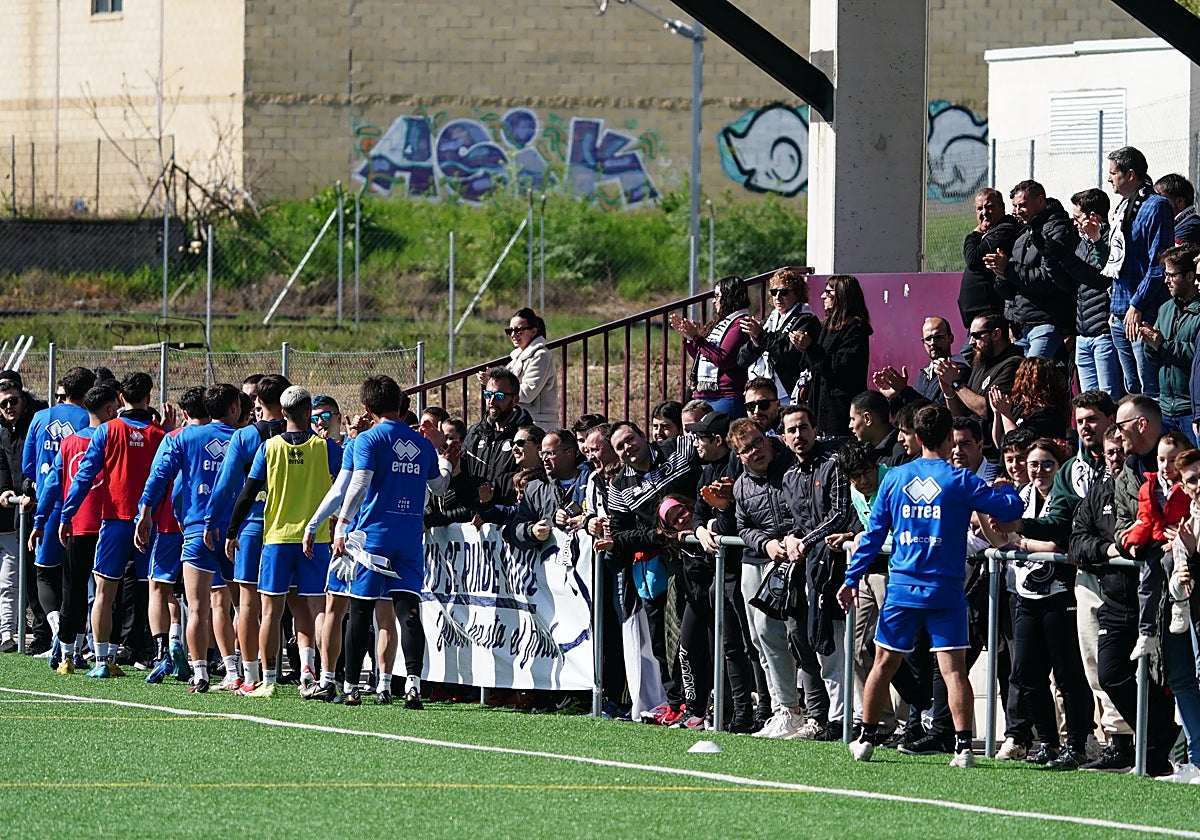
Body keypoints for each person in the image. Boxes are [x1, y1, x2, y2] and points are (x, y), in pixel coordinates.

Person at [840, 403, 1023, 767]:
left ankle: (865, 738)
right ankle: (964, 747)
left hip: (903, 587)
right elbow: (1009, 511)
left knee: (883, 663)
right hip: (946, 589)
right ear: (947, 437)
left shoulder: (894, 478)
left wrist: (851, 578)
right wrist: (1009, 491)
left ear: (918, 437)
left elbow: (873, 536)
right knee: (953, 669)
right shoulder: (960, 479)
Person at [330, 376, 450, 708]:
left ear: (367, 409)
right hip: (409, 537)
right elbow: (439, 488)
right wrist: (444, 457)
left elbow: (358, 485)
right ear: (400, 404)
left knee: (359, 612)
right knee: (408, 611)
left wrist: (342, 525)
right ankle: (413, 685)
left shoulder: (370, 439)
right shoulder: (422, 443)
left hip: (373, 538)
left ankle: (351, 687)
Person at [1073, 424, 1180, 776]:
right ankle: (1157, 735)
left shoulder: (1148, 485)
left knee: (1161, 678)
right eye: (1110, 453)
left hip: (1155, 600)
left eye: (1122, 451)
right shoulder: (1099, 492)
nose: (1116, 458)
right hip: (1116, 600)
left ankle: (1158, 748)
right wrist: (1109, 548)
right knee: (1110, 673)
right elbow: (1077, 541)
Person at [225, 386, 343, 698]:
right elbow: (350, 480)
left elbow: (247, 492)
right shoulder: (326, 448)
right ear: (308, 413)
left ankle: (268, 681)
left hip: (277, 539)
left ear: (283, 412)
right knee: (318, 609)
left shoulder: (269, 448)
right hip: (315, 540)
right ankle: (322, 676)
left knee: (271, 613)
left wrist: (231, 531)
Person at [134, 384, 242, 693]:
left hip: (196, 531)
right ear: (234, 408)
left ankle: (200, 674)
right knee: (237, 604)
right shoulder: (243, 439)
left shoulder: (184, 437)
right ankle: (239, 672)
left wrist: (147, 512)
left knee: (196, 607)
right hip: (233, 534)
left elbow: (164, 478)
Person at [59, 372, 166, 679]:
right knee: (158, 591)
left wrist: (67, 516)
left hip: (116, 522)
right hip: (151, 524)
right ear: (149, 397)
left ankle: (102, 660)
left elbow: (83, 477)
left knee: (105, 592)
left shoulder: (107, 431)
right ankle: (161, 654)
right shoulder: (159, 436)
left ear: (121, 399)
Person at [203, 373, 290, 695]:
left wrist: (212, 520)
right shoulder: (308, 438)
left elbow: (226, 486)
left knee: (248, 604)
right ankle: (312, 675)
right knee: (301, 607)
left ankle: (249, 675)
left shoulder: (244, 438)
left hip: (255, 526)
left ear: (257, 403)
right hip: (295, 530)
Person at [29, 384, 119, 674]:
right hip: (108, 523)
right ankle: (103, 651)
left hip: (77, 525)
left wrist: (40, 521)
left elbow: (53, 484)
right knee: (105, 592)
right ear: (108, 409)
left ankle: (69, 653)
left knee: (74, 589)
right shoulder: (114, 437)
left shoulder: (69, 443)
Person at [782, 402, 854, 740]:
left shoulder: (833, 465)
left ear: (815, 430)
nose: (799, 435)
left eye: (803, 427)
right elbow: (792, 522)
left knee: (841, 644)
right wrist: (790, 539)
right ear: (783, 438)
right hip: (809, 568)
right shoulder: (789, 476)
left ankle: (847, 719)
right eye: (792, 430)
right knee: (822, 646)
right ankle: (834, 718)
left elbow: (839, 514)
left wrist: (805, 541)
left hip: (838, 565)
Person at [729, 414, 803, 739]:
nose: (756, 450)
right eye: (747, 449)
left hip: (789, 556)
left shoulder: (793, 467)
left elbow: (806, 510)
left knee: (768, 629)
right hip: (757, 557)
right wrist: (765, 542)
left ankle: (791, 708)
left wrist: (785, 540)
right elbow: (743, 527)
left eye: (759, 441)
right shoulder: (741, 484)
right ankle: (779, 709)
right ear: (739, 455)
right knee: (757, 639)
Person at [1105, 145, 1175, 398]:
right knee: (1131, 390)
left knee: (1149, 389)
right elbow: (1118, 261)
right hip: (1120, 312)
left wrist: (1137, 305)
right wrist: (1115, 308)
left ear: (1131, 174)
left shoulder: (1156, 206)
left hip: (1144, 312)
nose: (1109, 178)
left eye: (1113, 172)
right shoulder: (1123, 207)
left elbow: (1159, 265)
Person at [986, 179, 1078, 359]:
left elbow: (1049, 279)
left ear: (1041, 201)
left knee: (1032, 382)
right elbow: (1008, 290)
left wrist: (1009, 270)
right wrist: (1001, 274)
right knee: (1021, 383)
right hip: (1021, 327)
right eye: (1014, 206)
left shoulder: (1057, 231)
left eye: (1022, 205)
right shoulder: (1022, 237)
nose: (1017, 212)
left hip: (1046, 323)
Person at [1045, 188, 1120, 396]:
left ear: (1093, 217)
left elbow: (1101, 277)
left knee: (1108, 397)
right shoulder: (1081, 244)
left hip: (1104, 333)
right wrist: (1051, 258)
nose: (1074, 222)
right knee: (1087, 399)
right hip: (1083, 332)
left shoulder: (1110, 240)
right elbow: (1072, 284)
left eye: (1077, 217)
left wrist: (1068, 258)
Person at [1122, 431, 1189, 660]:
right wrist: (1134, 542)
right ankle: (1146, 633)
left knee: (1174, 566)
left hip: (1181, 541)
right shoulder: (1149, 485)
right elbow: (1145, 519)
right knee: (1148, 581)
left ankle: (1180, 606)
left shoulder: (1189, 485)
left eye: (1173, 460)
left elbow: (1193, 515)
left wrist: (1180, 536)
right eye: (1162, 459)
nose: (1166, 466)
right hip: (1158, 541)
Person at [1160, 448, 1200, 782]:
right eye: (1192, 480)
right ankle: (1197, 759)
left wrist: (1194, 555)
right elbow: (1178, 574)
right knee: (1183, 681)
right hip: (1186, 614)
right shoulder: (1186, 521)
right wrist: (1178, 581)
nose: (1198, 485)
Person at [793, 274, 873, 435]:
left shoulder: (856, 329)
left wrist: (810, 347)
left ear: (842, 295)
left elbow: (837, 369)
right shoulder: (828, 325)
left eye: (829, 292)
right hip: (818, 407)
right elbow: (812, 363)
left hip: (839, 412)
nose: (823, 296)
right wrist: (804, 348)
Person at [670, 275, 752, 418]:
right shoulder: (721, 323)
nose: (714, 301)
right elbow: (703, 357)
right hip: (705, 396)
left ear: (729, 297)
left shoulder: (739, 324)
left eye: (717, 296)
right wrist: (690, 338)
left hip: (725, 396)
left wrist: (697, 338)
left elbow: (723, 359)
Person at [1142, 244, 1200, 445]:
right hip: (1167, 409)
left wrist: (1162, 345)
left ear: (1190, 276)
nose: (1166, 281)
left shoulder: (1198, 312)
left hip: (1190, 410)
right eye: (1165, 274)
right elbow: (1154, 356)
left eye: (1172, 275)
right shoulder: (1166, 309)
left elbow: (1195, 357)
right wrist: (1149, 343)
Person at [940, 311, 1024, 450]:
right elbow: (960, 416)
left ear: (996, 334)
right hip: (968, 448)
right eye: (970, 336)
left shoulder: (1013, 363)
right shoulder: (981, 361)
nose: (971, 342)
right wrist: (950, 393)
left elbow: (987, 410)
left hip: (991, 451)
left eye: (977, 336)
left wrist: (956, 383)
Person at [737, 266, 821, 403]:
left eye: (784, 292)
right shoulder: (768, 321)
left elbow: (788, 354)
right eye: (774, 292)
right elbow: (742, 359)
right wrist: (756, 341)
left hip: (788, 393)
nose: (777, 297)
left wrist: (761, 336)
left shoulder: (806, 319)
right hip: (763, 395)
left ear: (797, 293)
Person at [462, 367, 534, 508]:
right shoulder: (475, 433)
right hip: (475, 514)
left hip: (509, 515)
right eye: (488, 394)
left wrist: (491, 507)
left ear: (515, 400)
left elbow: (527, 479)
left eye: (499, 396)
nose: (492, 401)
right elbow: (463, 475)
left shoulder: (527, 436)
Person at [872, 316, 968, 414]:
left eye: (938, 337)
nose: (932, 343)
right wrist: (895, 397)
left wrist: (904, 390)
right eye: (928, 339)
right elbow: (910, 417)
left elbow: (937, 415)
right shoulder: (923, 375)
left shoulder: (958, 371)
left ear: (950, 338)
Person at [959, 188, 1021, 332]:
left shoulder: (1005, 231)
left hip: (989, 321)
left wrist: (975, 234)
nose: (984, 213)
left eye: (989, 207)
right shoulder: (993, 231)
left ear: (1002, 207)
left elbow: (973, 259)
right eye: (979, 208)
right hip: (979, 322)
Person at [989, 356, 1070, 444]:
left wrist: (1006, 414)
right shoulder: (1020, 408)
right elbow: (999, 444)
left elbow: (1017, 446)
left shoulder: (1046, 414)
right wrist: (998, 413)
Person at [505, 307, 559, 428]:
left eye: (518, 330)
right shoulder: (516, 358)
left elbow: (527, 393)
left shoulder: (541, 356)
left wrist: (501, 390)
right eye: (510, 331)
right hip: (521, 420)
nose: (513, 335)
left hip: (538, 424)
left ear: (534, 331)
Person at [848, 389, 905, 466]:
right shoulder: (863, 452)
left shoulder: (900, 453)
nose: (850, 425)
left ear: (867, 418)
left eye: (853, 419)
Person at [1154, 173, 1200, 246]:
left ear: (1180, 202)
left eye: (1160, 199)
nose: (1155, 204)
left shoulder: (1190, 229)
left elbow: (1168, 255)